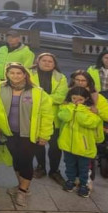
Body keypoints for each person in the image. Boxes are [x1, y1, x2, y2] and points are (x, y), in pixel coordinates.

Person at [0, 62, 54, 207]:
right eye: (12, 73)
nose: (15, 76)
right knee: (16, 160)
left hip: (29, 134)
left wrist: (44, 135)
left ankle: (23, 191)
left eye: (19, 73)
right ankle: (22, 186)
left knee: (25, 161)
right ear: (7, 74)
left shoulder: (37, 92)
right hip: (9, 133)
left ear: (25, 74)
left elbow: (47, 115)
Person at [30, 53, 69, 184]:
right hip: (35, 114)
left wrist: (41, 99)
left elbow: (61, 96)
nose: (47, 63)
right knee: (37, 143)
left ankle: (54, 171)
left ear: (54, 64)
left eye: (50, 61)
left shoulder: (60, 77)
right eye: (44, 60)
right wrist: (47, 99)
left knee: (55, 146)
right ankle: (41, 167)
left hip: (53, 116)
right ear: (38, 61)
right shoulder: (29, 74)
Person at [57, 85, 102, 198]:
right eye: (74, 99)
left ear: (86, 99)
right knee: (69, 164)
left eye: (80, 99)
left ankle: (84, 184)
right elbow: (64, 117)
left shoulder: (90, 111)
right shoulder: (66, 108)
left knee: (84, 167)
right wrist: (71, 109)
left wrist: (80, 110)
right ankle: (71, 180)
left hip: (84, 146)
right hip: (68, 144)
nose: (77, 101)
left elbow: (88, 122)